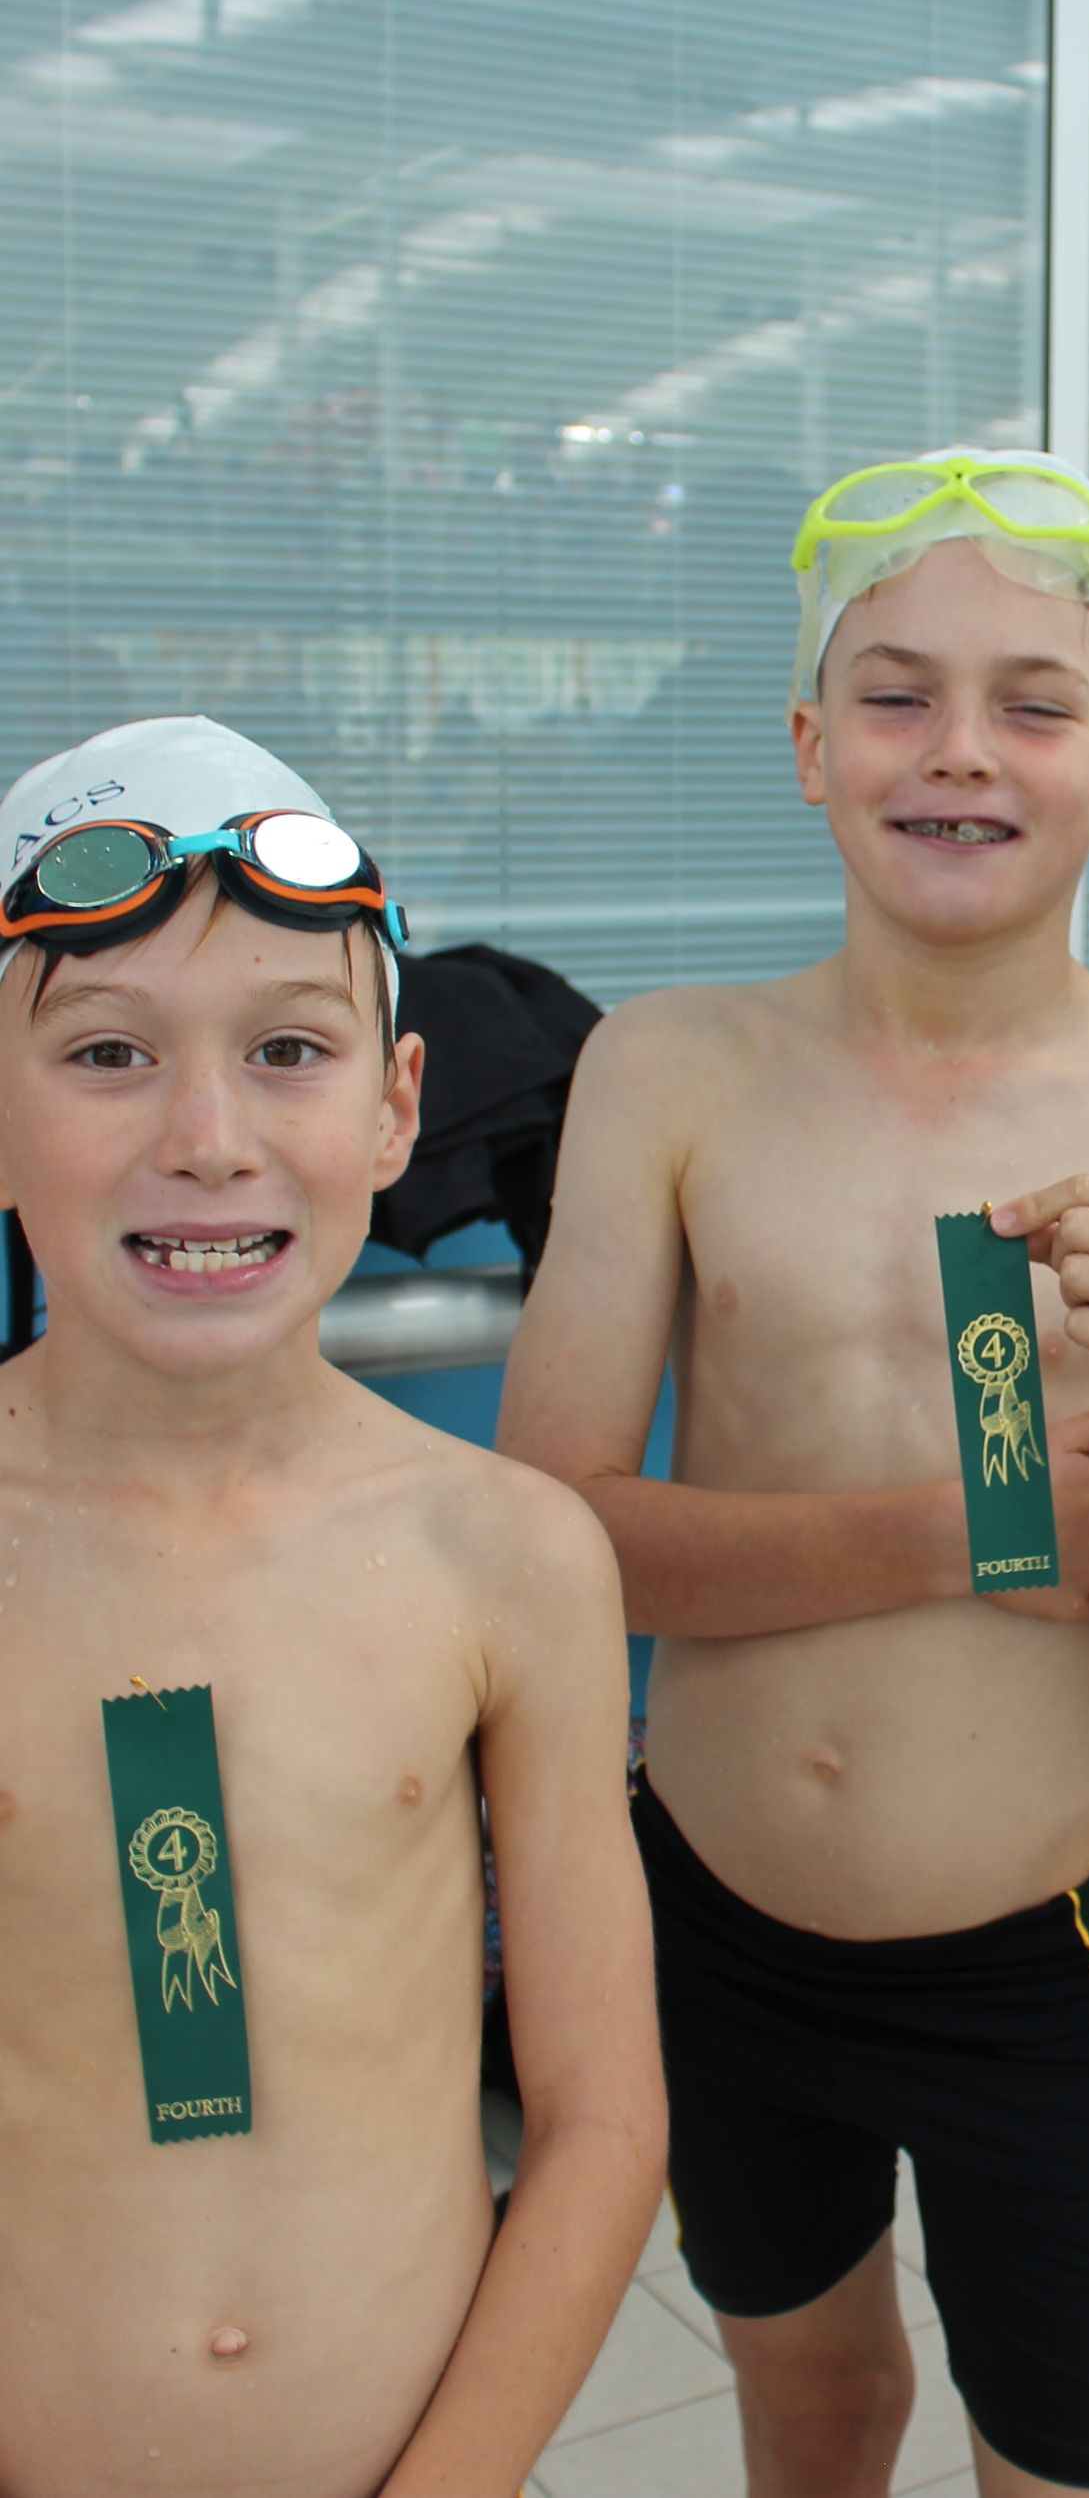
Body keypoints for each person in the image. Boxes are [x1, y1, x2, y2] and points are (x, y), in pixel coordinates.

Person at [496, 450, 1089, 2498]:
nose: (959, 750)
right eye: (895, 696)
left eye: (1032, 705)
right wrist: (954, 1534)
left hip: (1029, 1944)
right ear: (807, 748)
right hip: (712, 1910)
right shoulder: (671, 1069)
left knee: (1076, 2468)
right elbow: (552, 1534)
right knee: (819, 2408)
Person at [0, 715, 664, 2496]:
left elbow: (602, 2121)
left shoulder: (507, 1555)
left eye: (288, 1049)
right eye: (109, 1053)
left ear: (396, 1107)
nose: (209, 1137)